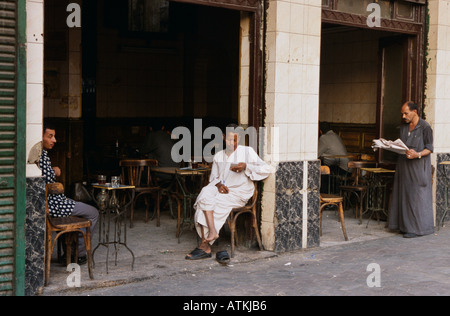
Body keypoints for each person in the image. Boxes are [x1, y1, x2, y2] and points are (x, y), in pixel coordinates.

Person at [185, 125, 271, 260]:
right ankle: (212, 232)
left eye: (235, 140)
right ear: (224, 138)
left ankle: (204, 246)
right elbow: (213, 178)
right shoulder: (219, 155)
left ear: (240, 138)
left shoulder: (247, 152)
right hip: (222, 191)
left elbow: (266, 169)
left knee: (206, 204)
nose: (232, 143)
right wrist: (219, 184)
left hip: (239, 193)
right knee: (205, 192)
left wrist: (246, 166)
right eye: (229, 140)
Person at [30, 125, 99, 264]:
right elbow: (51, 185)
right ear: (40, 137)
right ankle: (78, 254)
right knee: (93, 213)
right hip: (56, 205)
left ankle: (69, 250)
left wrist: (53, 169)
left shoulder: (40, 154)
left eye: (54, 136)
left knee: (81, 213)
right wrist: (56, 176)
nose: (54, 140)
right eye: (50, 136)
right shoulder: (41, 156)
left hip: (53, 203)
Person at [388, 101, 434, 238]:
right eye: (402, 113)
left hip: (418, 167)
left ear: (415, 112)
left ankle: (417, 229)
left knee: (416, 197)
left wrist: (417, 154)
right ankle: (404, 226)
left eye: (406, 113)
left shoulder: (425, 127)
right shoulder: (403, 127)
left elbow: (430, 148)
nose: (403, 116)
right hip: (404, 165)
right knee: (403, 195)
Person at [318, 122, 351, 193]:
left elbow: (316, 155)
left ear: (320, 131)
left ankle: (325, 196)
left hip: (341, 170)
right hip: (348, 169)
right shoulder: (336, 135)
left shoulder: (324, 138)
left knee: (323, 172)